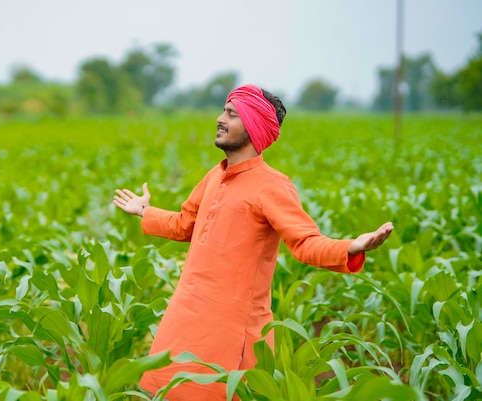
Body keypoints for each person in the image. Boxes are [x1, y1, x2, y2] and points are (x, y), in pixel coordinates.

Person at [112, 84, 393, 400]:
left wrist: (350, 247)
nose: (220, 119)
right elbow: (184, 224)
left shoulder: (272, 187)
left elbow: (305, 242)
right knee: (165, 392)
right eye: (223, 110)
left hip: (232, 333)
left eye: (231, 114)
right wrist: (145, 210)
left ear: (254, 127)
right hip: (186, 315)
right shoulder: (214, 176)